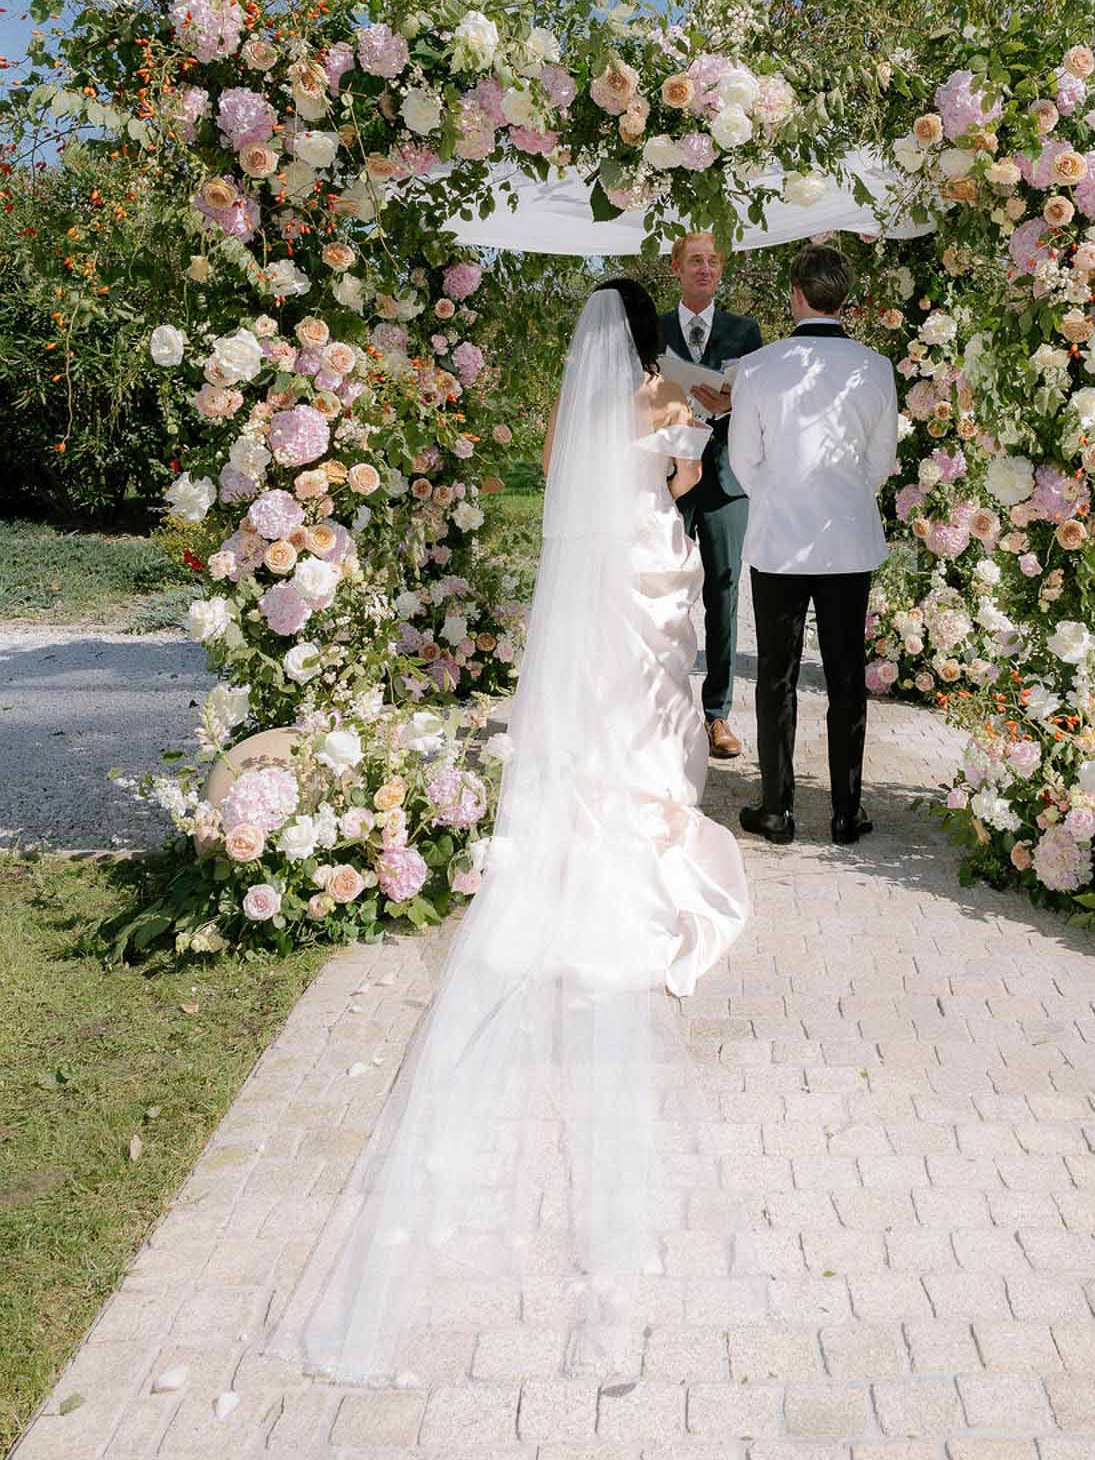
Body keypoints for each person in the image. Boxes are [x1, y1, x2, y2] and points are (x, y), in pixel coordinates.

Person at [266, 281, 748, 1387]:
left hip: (599, 573)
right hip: (652, 566)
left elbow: (562, 486)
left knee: (597, 710)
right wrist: (679, 455)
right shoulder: (658, 394)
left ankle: (594, 826)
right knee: (653, 703)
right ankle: (655, 827)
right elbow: (685, 475)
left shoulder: (576, 412)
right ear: (639, 338)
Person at [728, 244, 898, 847]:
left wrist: (779, 496)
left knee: (776, 674)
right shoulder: (876, 368)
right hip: (848, 541)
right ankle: (847, 812)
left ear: (796, 294)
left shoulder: (757, 368)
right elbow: (882, 463)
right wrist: (843, 496)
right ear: (841, 297)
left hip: (779, 541)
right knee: (847, 675)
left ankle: (776, 809)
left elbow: (743, 460)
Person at [657, 231, 762, 760]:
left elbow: (759, 402)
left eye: (713, 262)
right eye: (695, 261)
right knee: (663, 590)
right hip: (668, 479)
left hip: (725, 480)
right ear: (677, 268)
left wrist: (727, 404)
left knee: (723, 592)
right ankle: (661, 707)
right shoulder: (651, 329)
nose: (705, 269)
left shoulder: (745, 330)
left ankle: (717, 714)